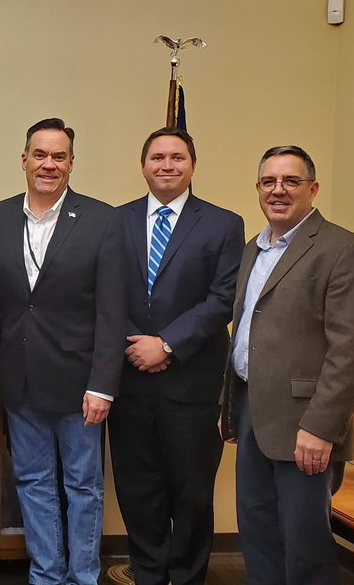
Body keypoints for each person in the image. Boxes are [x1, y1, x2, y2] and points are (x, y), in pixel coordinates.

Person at [0, 118, 126, 585]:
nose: (49, 164)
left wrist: (104, 385)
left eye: (59, 157)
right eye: (40, 154)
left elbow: (111, 311)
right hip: (18, 380)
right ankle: (46, 575)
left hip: (80, 385)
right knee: (33, 484)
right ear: (24, 161)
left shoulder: (102, 219)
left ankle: (82, 577)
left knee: (83, 487)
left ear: (72, 164)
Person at [220, 145, 354, 585]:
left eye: (291, 181)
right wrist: (235, 411)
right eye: (268, 182)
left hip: (305, 425)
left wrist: (320, 427)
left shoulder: (344, 250)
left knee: (305, 546)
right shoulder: (255, 249)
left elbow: (352, 351)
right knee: (259, 534)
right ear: (257, 189)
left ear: (313, 188)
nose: (278, 190)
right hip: (254, 412)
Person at [106, 127, 244, 585]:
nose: (167, 165)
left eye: (177, 157)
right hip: (129, 381)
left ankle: (186, 577)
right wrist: (136, 344)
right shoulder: (117, 221)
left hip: (191, 384)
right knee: (138, 489)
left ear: (192, 165)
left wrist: (165, 344)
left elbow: (223, 298)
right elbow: (104, 297)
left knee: (191, 493)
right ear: (143, 165)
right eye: (157, 157)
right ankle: (147, 573)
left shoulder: (224, 224)